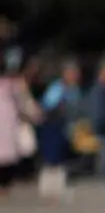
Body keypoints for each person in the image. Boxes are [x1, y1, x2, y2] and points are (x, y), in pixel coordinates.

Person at [36, 59, 83, 202]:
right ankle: (47, 191)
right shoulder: (56, 88)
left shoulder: (74, 89)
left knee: (62, 160)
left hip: (67, 127)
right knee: (51, 159)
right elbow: (47, 106)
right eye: (71, 73)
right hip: (53, 126)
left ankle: (58, 189)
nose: (74, 76)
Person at [0, 48, 41, 197]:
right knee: (7, 154)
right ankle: (6, 185)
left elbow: (24, 102)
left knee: (9, 155)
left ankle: (6, 185)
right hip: (8, 123)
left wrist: (34, 114)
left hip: (10, 123)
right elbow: (25, 102)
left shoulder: (14, 84)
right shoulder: (13, 84)